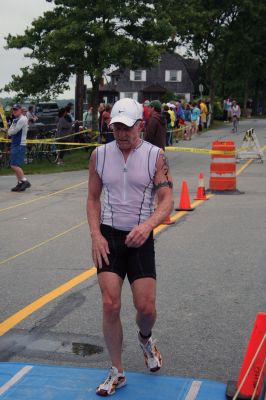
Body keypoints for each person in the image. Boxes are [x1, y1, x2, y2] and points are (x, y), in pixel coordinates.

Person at [87, 97, 173, 397]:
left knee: (146, 308)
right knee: (110, 304)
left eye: (127, 128)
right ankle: (117, 371)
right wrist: (96, 235)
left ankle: (145, 338)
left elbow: (167, 202)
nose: (121, 134)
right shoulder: (99, 155)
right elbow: (93, 199)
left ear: (140, 126)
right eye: (115, 128)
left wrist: (148, 225)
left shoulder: (156, 156)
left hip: (140, 235)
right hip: (109, 235)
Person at [7, 104, 31, 192]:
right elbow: (10, 131)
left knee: (13, 165)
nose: (14, 111)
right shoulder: (15, 120)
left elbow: (13, 131)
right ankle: (20, 184)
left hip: (19, 144)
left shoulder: (22, 119)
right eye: (13, 110)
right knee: (16, 164)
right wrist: (10, 131)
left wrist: (10, 131)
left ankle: (24, 181)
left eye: (16, 110)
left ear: (20, 110)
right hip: (15, 143)